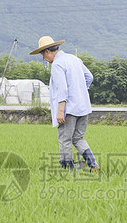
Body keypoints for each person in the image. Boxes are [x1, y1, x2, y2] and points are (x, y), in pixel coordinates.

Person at [30, 36, 99, 171]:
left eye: (42, 55)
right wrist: (80, 91)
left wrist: (60, 111)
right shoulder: (74, 59)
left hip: (69, 109)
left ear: (47, 51)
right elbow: (89, 77)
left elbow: (62, 89)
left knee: (65, 139)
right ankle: (94, 165)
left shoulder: (57, 64)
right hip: (83, 106)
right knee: (78, 138)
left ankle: (67, 169)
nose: (44, 58)